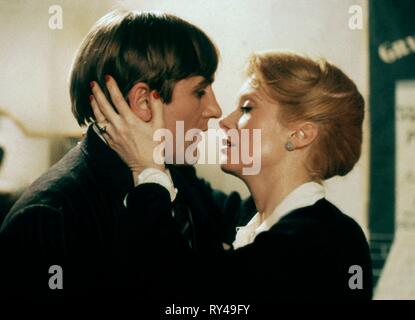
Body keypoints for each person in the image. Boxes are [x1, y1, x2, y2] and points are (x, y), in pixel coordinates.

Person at [0, 10, 250, 297]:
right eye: (200, 91)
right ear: (144, 102)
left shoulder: (175, 173)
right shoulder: (49, 218)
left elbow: (254, 218)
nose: (215, 110)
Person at [89, 51, 373, 300]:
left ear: (300, 134)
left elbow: (180, 296)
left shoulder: (327, 242)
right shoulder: (243, 216)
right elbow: (187, 187)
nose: (225, 121)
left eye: (247, 108)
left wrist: (147, 171)